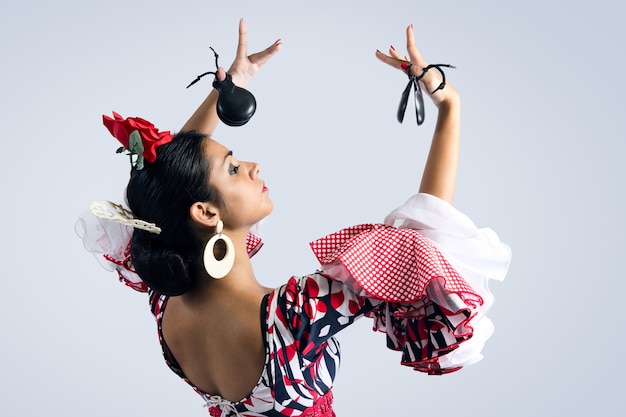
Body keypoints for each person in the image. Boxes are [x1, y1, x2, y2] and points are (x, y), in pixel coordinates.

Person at [76, 19, 511, 417]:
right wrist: (449, 106)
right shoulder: (295, 315)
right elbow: (422, 239)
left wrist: (229, 88)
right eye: (232, 168)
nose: (253, 166)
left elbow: (163, 189)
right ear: (205, 212)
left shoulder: (165, 298)